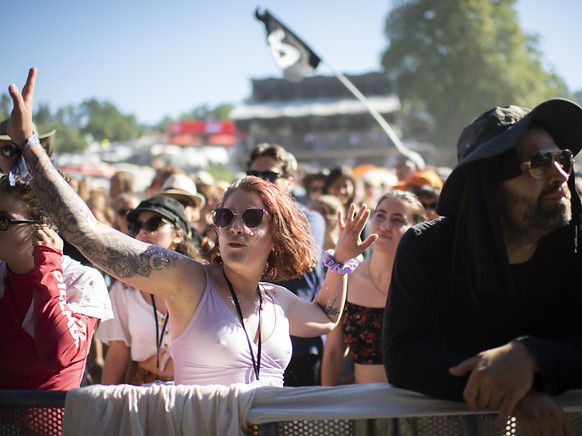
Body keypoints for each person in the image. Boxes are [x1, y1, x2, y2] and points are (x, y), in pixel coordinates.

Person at [6, 67, 377, 387]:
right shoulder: (187, 281)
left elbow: (326, 317)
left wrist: (340, 262)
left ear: (277, 233)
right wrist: (30, 146)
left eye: (251, 218)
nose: (235, 227)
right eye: (225, 216)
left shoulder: (276, 300)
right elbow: (90, 233)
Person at [383, 99, 582, 433]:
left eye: (561, 158)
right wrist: (510, 390)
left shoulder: (578, 244)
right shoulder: (426, 247)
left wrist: (532, 357)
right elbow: (405, 355)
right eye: (538, 163)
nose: (560, 174)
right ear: (489, 185)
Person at [0, 175, 112, 389]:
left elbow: (59, 354)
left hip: (54, 420)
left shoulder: (82, 280)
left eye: (2, 219)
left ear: (40, 228)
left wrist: (49, 263)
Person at [321, 191, 426, 385]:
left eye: (397, 220)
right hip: (364, 405)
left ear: (415, 227)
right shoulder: (347, 279)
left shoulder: (425, 283)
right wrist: (326, 406)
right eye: (380, 216)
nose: (385, 226)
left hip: (415, 402)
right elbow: (334, 352)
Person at [97, 196, 202, 385]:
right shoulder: (123, 289)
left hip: (195, 390)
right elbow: (116, 357)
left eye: (154, 224)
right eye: (137, 227)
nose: (143, 231)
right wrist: (104, 411)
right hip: (143, 390)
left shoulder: (204, 284)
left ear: (178, 235)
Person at [246, 143, 327, 386]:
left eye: (270, 175)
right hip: (256, 343)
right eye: (254, 175)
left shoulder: (310, 218)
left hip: (302, 342)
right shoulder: (241, 219)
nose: (261, 181)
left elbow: (294, 261)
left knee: (302, 422)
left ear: (290, 182)